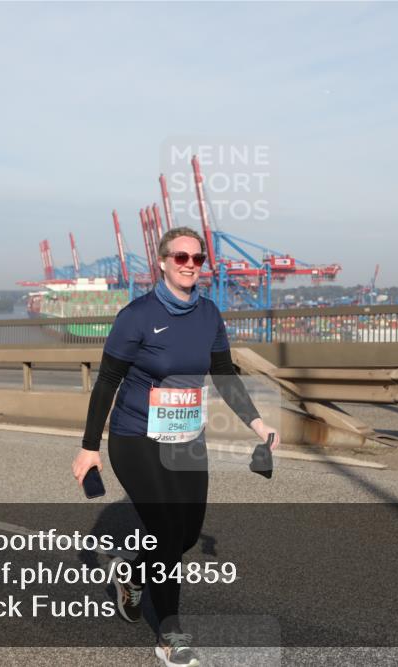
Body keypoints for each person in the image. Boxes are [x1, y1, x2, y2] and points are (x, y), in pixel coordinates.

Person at [71, 226, 277, 667]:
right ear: (162, 262)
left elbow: (223, 374)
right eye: (180, 257)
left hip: (186, 438)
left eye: (197, 259)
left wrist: (257, 424)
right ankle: (170, 634)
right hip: (135, 436)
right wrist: (90, 447)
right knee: (165, 529)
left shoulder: (208, 314)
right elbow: (108, 379)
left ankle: (131, 574)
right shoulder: (137, 316)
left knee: (183, 533)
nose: (189, 265)